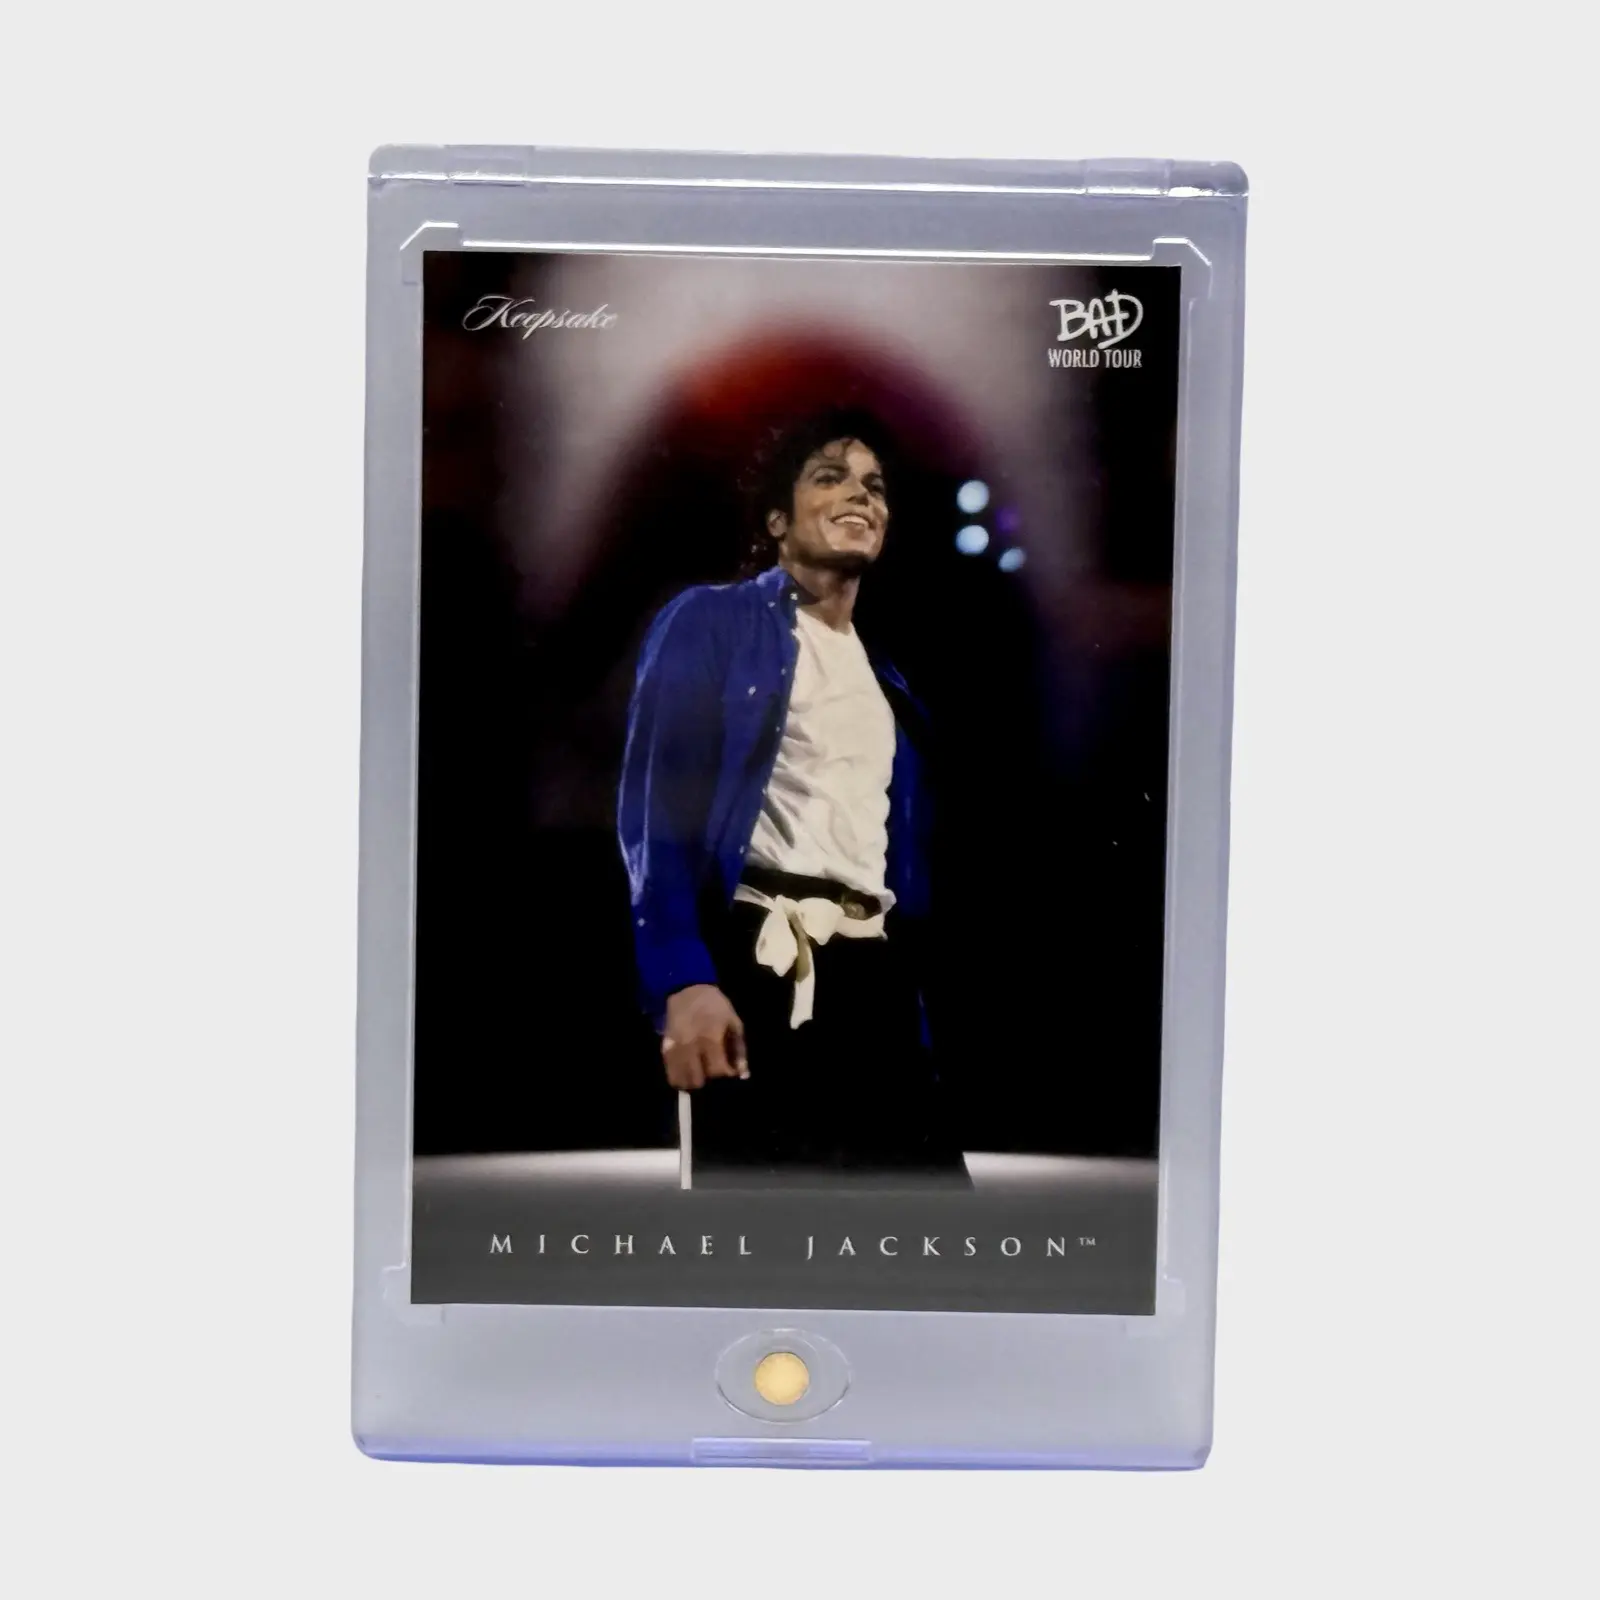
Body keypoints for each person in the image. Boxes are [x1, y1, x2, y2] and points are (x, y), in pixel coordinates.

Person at [617, 408, 968, 1189]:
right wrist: (683, 980)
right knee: (757, 1233)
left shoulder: (889, 684)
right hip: (760, 966)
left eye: (875, 485)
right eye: (831, 477)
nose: (861, 495)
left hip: (876, 983)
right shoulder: (711, 621)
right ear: (778, 519)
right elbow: (655, 819)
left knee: (929, 1228)